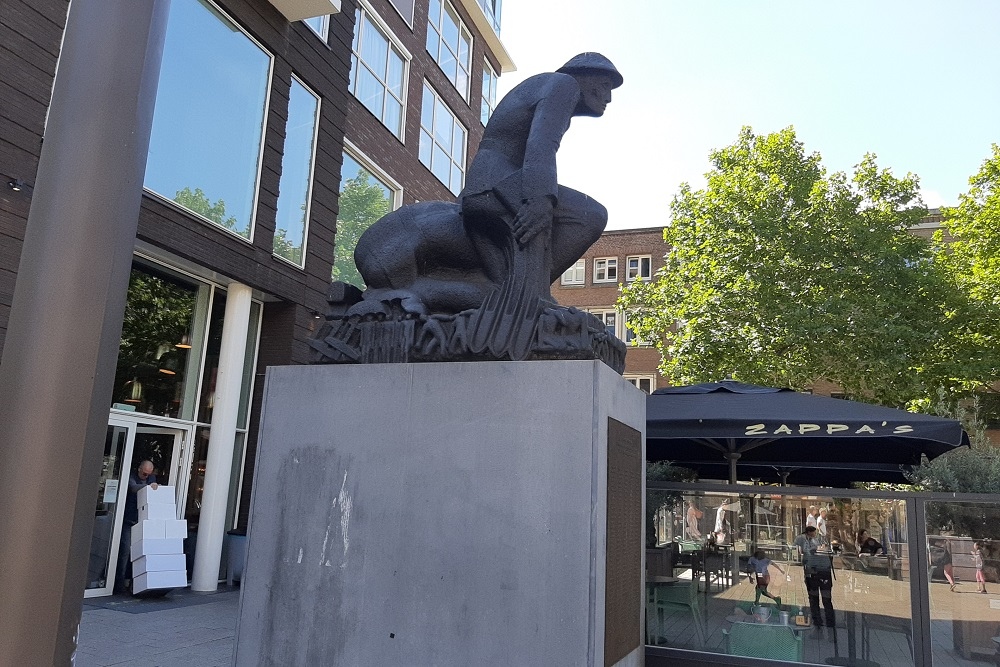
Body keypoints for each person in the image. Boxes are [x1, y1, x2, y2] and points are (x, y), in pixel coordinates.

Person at [114, 460, 159, 593]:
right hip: (128, 520)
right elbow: (133, 488)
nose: (146, 476)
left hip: (141, 522)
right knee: (124, 553)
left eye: (148, 474)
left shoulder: (151, 478)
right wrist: (150, 487)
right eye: (144, 473)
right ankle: (118, 585)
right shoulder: (132, 476)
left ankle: (136, 584)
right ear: (139, 469)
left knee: (140, 553)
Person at [794, 525, 835, 631]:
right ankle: (825, 621)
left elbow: (802, 554)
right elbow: (802, 552)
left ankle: (821, 620)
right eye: (813, 532)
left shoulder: (817, 540)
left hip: (816, 572)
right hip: (817, 572)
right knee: (820, 598)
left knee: (817, 598)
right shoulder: (804, 540)